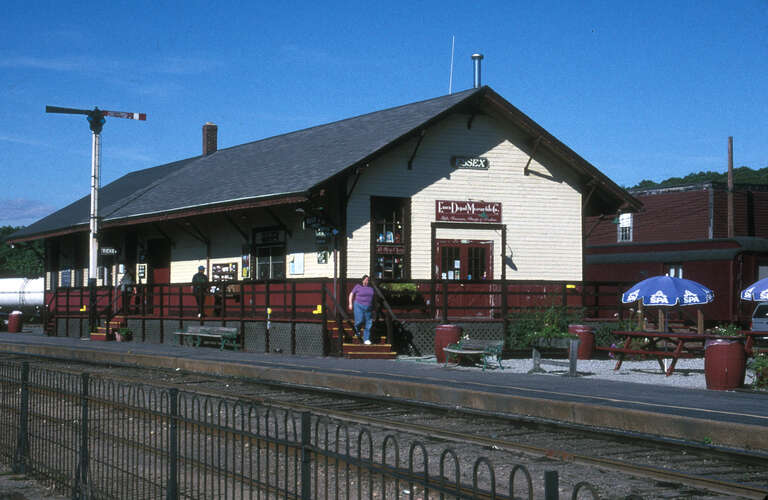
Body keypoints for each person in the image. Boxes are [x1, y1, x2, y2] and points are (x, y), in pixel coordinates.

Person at [348, 275, 375, 344]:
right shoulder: (358, 286)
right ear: (362, 280)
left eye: (368, 280)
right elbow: (351, 294)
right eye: (366, 280)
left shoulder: (371, 288)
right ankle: (357, 331)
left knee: (369, 323)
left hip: (368, 307)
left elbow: (374, 297)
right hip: (358, 305)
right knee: (359, 320)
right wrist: (350, 304)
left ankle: (366, 339)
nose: (367, 281)